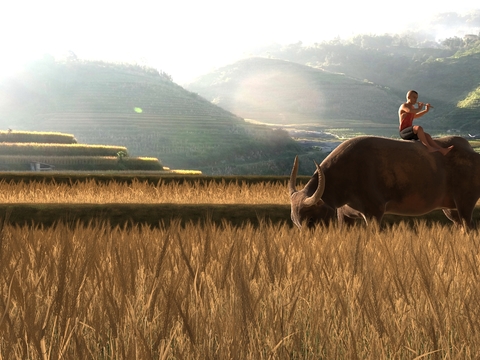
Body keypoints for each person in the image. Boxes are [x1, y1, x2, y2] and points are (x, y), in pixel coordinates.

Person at [398, 90, 453, 155]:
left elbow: (415, 115)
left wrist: (425, 110)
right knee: (418, 128)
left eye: (416, 98)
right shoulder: (404, 106)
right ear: (408, 97)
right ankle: (429, 147)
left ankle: (442, 150)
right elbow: (410, 111)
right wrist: (420, 108)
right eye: (414, 97)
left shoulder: (412, 107)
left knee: (427, 136)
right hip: (404, 132)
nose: (416, 99)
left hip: (411, 132)